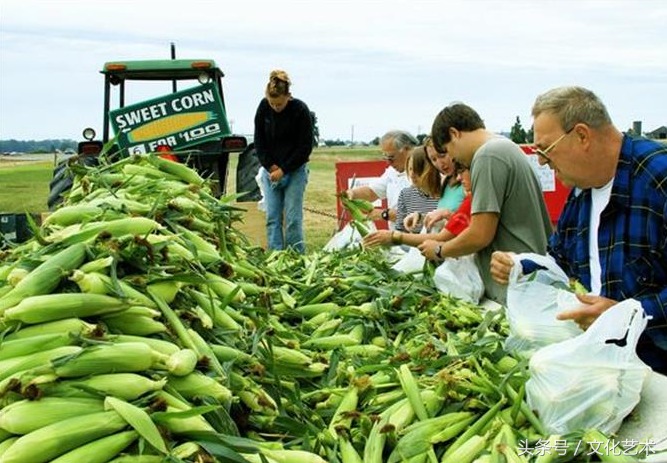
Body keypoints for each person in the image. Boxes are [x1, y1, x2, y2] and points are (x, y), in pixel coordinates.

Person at [490, 86, 667, 373]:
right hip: (604, 366)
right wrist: (522, 264)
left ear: (582, 135)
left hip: (656, 372)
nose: (541, 161)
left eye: (544, 149)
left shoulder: (658, 177)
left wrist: (627, 315)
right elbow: (562, 261)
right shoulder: (581, 191)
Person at [421, 103, 552, 304]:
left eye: (448, 150)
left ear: (454, 133)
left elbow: (479, 234)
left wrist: (439, 250)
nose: (453, 158)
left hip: (516, 285)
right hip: (529, 278)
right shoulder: (504, 146)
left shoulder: (487, 156)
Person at [254, 70, 313, 253]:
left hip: (295, 170)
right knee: (273, 217)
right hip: (270, 171)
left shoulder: (300, 110)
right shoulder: (263, 108)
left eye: (279, 103)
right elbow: (259, 142)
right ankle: (276, 256)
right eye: (272, 103)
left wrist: (284, 169)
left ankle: (296, 256)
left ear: (288, 96)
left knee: (293, 218)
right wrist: (271, 167)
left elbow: (305, 147)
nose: (275, 107)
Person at [363, 145, 440, 246]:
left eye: (418, 169)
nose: (412, 175)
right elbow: (400, 232)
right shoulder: (405, 194)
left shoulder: (445, 194)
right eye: (410, 169)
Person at [345, 130, 415, 229]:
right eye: (386, 158)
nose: (389, 163)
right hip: (398, 238)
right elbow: (372, 192)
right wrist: (352, 194)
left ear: (407, 149)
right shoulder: (392, 172)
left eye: (391, 157)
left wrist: (385, 214)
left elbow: (421, 216)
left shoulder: (426, 172)